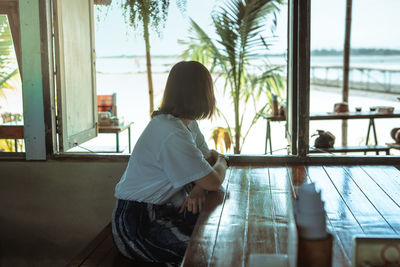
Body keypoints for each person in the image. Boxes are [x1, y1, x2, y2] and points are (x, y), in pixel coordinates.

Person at [111, 61, 229, 265]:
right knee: (206, 254)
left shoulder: (186, 124)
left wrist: (199, 187)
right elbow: (213, 179)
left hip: (165, 209)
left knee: (218, 239)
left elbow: (205, 164)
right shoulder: (171, 131)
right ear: (202, 93)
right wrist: (223, 160)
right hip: (138, 223)